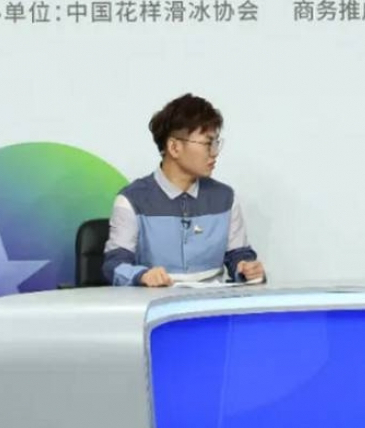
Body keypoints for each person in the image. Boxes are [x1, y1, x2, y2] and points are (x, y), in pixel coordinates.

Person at [102, 93, 265, 287]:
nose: (214, 153)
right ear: (174, 147)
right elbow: (114, 265)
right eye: (207, 144)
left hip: (212, 301)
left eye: (216, 143)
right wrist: (142, 276)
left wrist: (246, 268)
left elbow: (238, 254)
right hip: (154, 301)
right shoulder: (131, 200)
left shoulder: (226, 198)